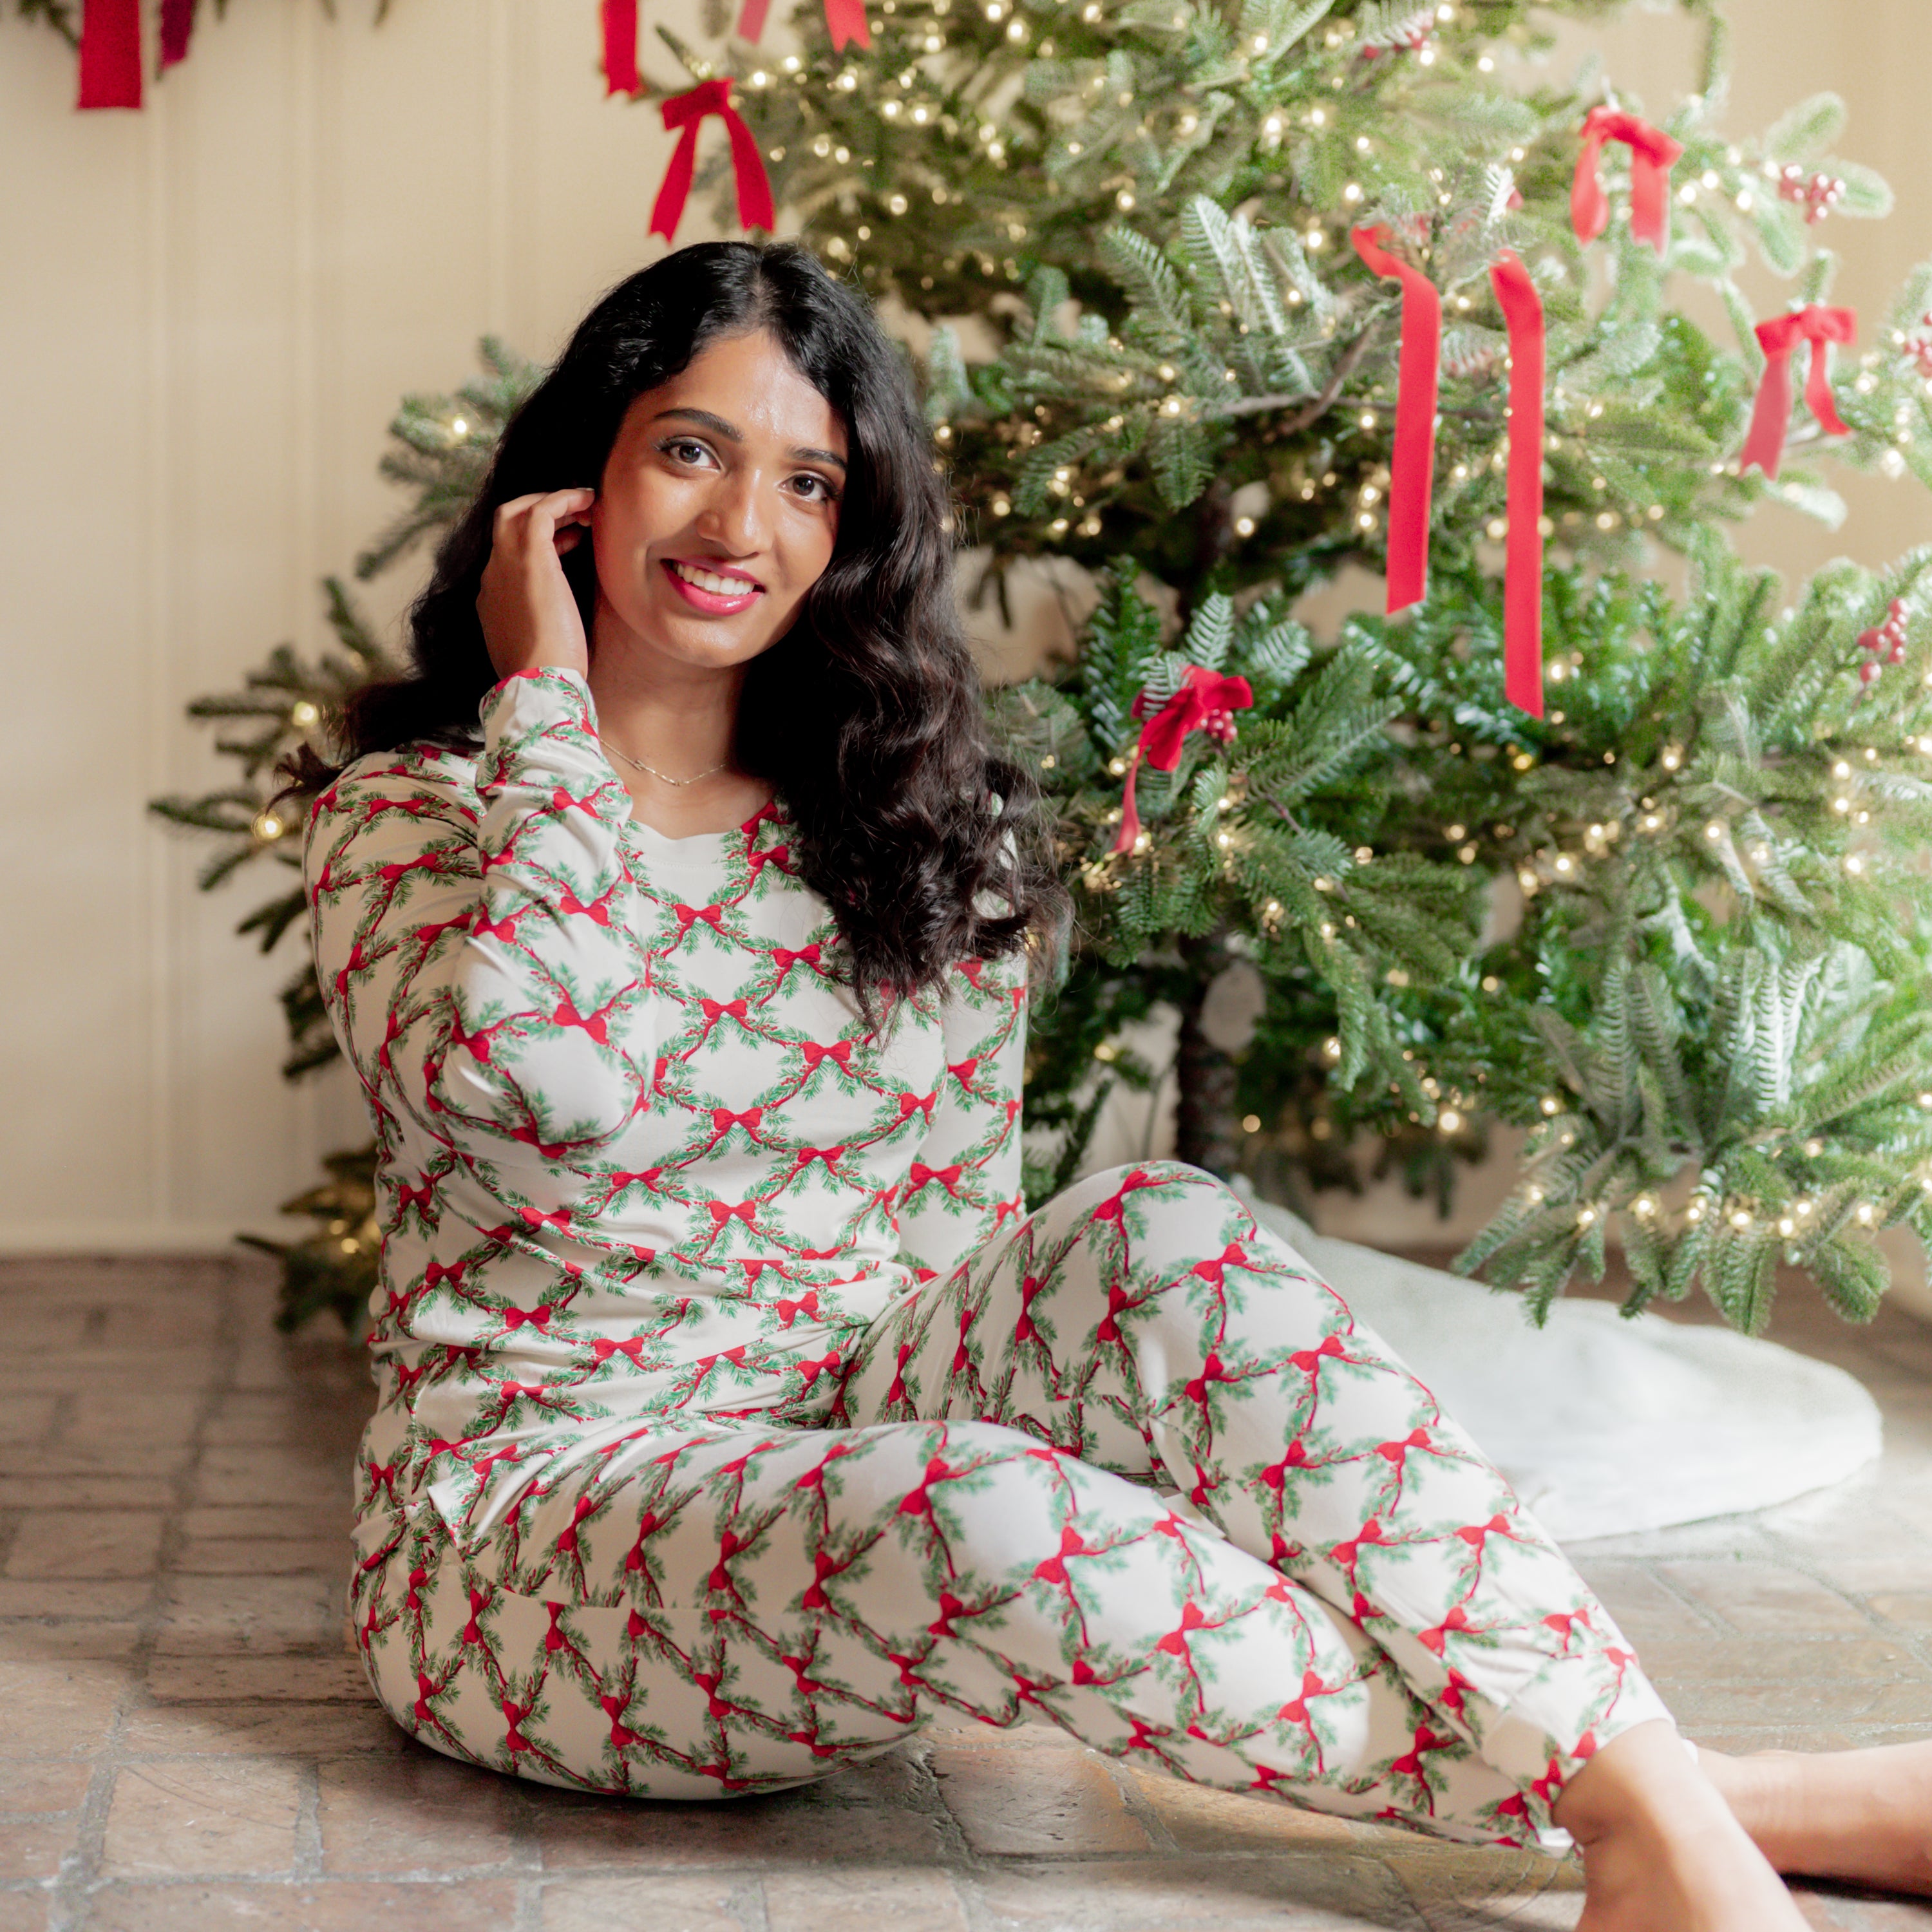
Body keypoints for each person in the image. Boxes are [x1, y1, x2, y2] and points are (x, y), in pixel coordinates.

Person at [297, 238, 1930, 1929]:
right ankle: (1721, 1805)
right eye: (691, 451)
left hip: (850, 1430)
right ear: (580, 478)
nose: (739, 530)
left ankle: (1656, 1824)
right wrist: (549, 711)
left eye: (807, 480)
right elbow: (536, 1081)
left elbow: (963, 1242)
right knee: (988, 1511)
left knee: (1159, 1230)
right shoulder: (420, 819)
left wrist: (1095, 1439)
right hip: (535, 1536)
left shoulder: (899, 830)